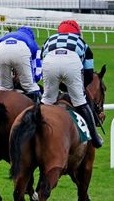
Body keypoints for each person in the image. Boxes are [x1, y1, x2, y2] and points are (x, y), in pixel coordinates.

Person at [41, 19, 103, 148]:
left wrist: (58, 85)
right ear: (77, 32)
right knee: (80, 102)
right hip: (72, 62)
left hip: (49, 62)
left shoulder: (49, 39)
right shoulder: (82, 43)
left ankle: (34, 131)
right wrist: (76, 89)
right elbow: (88, 74)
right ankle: (95, 139)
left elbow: (44, 65)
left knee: (46, 101)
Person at [0, 26, 42, 103]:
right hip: (22, 51)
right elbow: (37, 70)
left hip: (1, 50)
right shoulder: (33, 43)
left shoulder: (4, 38)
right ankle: (37, 112)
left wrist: (6, 77)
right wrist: (32, 80)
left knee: (4, 88)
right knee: (31, 87)